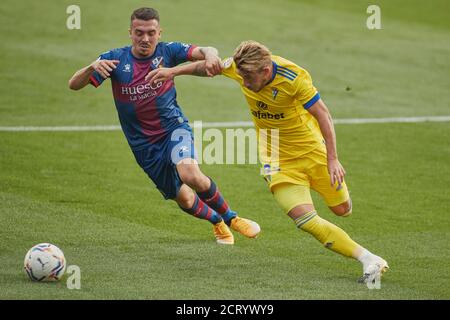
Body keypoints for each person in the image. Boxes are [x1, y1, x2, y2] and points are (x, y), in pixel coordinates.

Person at [146, 40, 389, 283]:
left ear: (265, 70)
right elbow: (210, 68)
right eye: (242, 77)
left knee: (342, 210)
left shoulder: (294, 78)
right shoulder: (240, 68)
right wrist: (173, 71)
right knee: (304, 220)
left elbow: (323, 114)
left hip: (313, 152)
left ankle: (338, 201)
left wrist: (333, 159)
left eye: (249, 78)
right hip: (276, 158)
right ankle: (369, 259)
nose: (246, 83)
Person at [68, 8, 261, 245]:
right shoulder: (114, 60)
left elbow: (205, 50)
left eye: (151, 33)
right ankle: (217, 222)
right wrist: (91, 67)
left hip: (173, 128)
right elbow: (73, 85)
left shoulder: (168, 51)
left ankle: (232, 218)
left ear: (159, 33)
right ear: (130, 33)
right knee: (185, 200)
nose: (145, 39)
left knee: (190, 174)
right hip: (143, 145)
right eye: (139, 33)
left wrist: (211, 56)